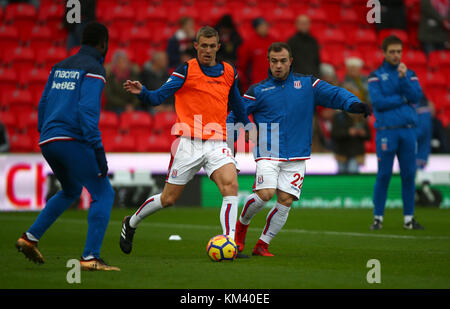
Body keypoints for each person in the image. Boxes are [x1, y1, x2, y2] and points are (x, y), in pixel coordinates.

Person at [227, 42, 371, 256]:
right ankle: (241, 229)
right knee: (265, 194)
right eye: (274, 61)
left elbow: (334, 94)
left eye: (283, 61)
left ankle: (262, 245)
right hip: (268, 151)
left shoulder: (307, 85)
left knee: (285, 201)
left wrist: (353, 104)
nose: (278, 65)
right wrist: (231, 147)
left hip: (297, 154)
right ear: (269, 62)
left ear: (290, 61)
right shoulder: (258, 90)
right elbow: (236, 115)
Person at [119, 26, 252, 257]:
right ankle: (131, 222)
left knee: (230, 186)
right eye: (204, 46)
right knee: (168, 199)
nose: (208, 50)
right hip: (188, 142)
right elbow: (158, 97)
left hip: (217, 141)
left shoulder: (229, 72)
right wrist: (142, 92)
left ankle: (229, 243)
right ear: (196, 46)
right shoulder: (185, 70)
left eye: (212, 46)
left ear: (218, 47)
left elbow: (237, 102)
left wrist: (246, 125)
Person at [15, 22, 119, 271]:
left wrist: (46, 132)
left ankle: (29, 238)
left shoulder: (59, 66)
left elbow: (43, 104)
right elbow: (87, 112)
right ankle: (90, 257)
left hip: (48, 139)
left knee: (71, 190)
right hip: (71, 139)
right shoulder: (95, 69)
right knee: (103, 193)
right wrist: (98, 152)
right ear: (103, 44)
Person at [368, 35, 424, 231]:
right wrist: (403, 98)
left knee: (409, 174)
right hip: (386, 132)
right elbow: (378, 103)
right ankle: (378, 218)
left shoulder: (409, 74)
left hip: (408, 131)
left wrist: (402, 80)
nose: (395, 55)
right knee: (384, 175)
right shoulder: (375, 75)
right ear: (384, 53)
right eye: (392, 51)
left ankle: (409, 219)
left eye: (398, 51)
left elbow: (416, 96)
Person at [237, 17, 275, 91]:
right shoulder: (249, 43)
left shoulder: (274, 41)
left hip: (273, 81)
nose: (265, 28)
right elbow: (242, 64)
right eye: (262, 26)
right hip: (256, 83)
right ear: (256, 28)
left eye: (266, 26)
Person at [104, 50, 141, 114]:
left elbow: (138, 92)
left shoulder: (133, 75)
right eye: (123, 61)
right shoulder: (110, 76)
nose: (126, 64)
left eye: (127, 61)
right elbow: (109, 96)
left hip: (132, 106)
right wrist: (125, 105)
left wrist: (132, 105)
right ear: (116, 63)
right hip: (115, 107)